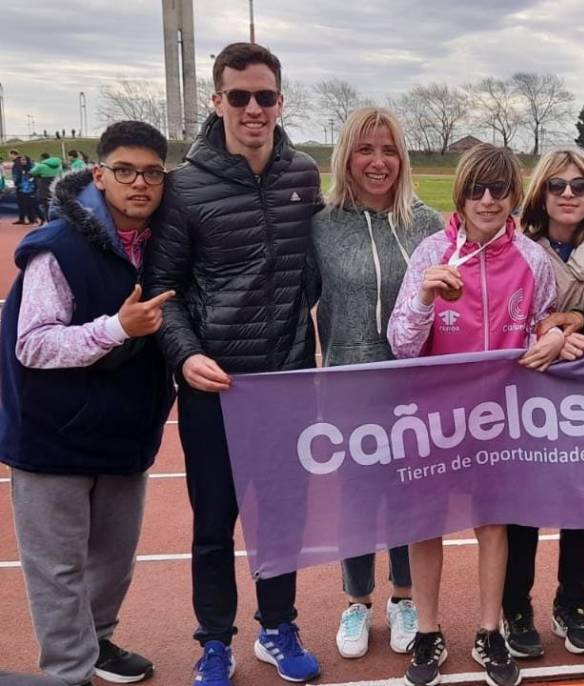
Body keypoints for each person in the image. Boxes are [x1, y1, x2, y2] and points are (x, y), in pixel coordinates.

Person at [143, 42, 323, 686]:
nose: (253, 108)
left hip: (286, 387)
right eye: (239, 96)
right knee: (214, 526)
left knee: (281, 521)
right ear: (217, 101)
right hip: (213, 389)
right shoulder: (184, 187)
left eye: (265, 96)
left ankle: (278, 627)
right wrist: (186, 355)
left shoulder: (303, 173)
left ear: (280, 100)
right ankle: (215, 641)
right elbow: (162, 293)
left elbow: (318, 272)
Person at [0, 121, 176, 686]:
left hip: (126, 430)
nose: (140, 183)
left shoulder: (161, 246)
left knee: (114, 559)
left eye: (152, 172)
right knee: (57, 568)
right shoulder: (56, 249)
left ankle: (96, 642)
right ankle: (66, 672)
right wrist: (116, 328)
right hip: (52, 434)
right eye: (125, 171)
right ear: (100, 175)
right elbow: (34, 343)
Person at [388, 143, 563, 686]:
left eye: (500, 190)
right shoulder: (430, 253)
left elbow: (545, 326)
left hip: (500, 420)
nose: (488, 200)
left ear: (514, 196)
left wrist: (555, 336)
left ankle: (490, 632)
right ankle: (428, 631)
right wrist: (422, 299)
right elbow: (400, 344)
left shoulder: (533, 259)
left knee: (493, 523)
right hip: (436, 416)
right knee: (425, 526)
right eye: (476, 189)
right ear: (461, 196)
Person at [311, 106, 444, 659]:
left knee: (410, 491)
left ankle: (405, 597)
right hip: (349, 376)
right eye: (366, 150)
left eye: (389, 150)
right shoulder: (321, 225)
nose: (378, 162)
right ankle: (357, 601)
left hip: (416, 382)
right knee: (358, 496)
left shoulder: (428, 224)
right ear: (347, 156)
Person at [499, 149, 584, 660]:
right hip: (526, 393)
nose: (568, 194)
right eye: (556, 185)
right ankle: (515, 607)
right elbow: (514, 315)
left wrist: (572, 326)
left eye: (578, 185)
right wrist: (545, 332)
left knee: (582, 507)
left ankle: (572, 604)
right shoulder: (519, 246)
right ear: (540, 193)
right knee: (521, 509)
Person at [29, 152, 64, 222]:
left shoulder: (41, 166)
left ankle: (48, 221)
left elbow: (31, 172)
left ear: (42, 158)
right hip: (56, 189)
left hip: (45, 188)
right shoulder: (59, 166)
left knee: (46, 206)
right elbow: (62, 175)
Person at [9, 149, 39, 225]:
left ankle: (31, 218)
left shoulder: (18, 163)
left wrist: (17, 183)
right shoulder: (19, 163)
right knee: (24, 203)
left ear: (13, 154)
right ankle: (25, 218)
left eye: (10, 155)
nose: (9, 156)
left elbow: (19, 175)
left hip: (23, 186)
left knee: (25, 203)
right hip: (24, 186)